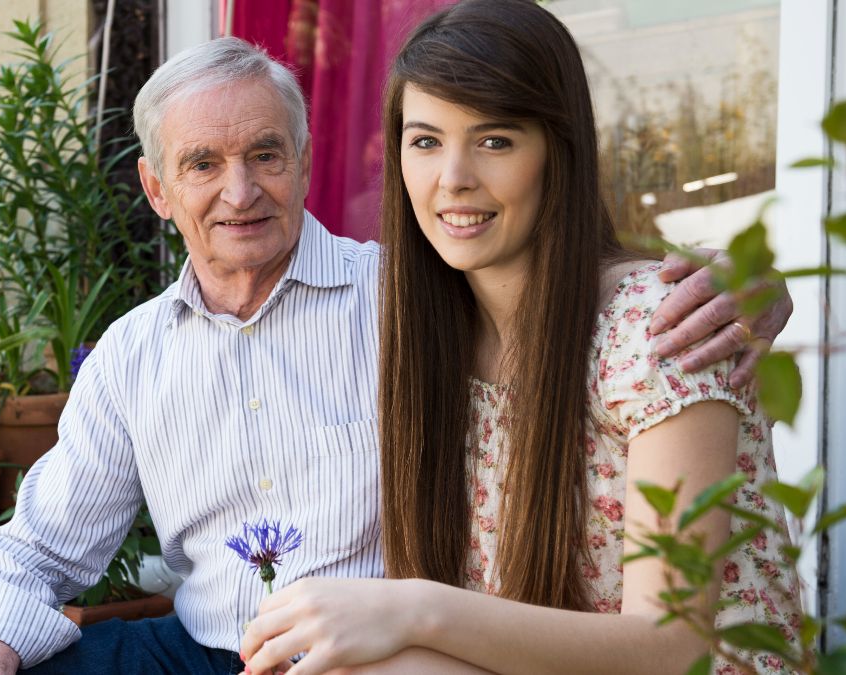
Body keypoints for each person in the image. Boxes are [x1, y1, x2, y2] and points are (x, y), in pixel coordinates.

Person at [0, 32, 792, 674]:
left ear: (308, 160)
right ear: (157, 189)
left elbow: (570, 292)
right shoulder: (132, 357)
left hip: (387, 651)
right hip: (206, 649)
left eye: (266, 155)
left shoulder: (412, 295)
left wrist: (749, 287)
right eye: (203, 164)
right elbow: (34, 550)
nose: (240, 192)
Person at [238, 2, 801, 674]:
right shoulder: (423, 327)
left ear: (557, 151)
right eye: (425, 142)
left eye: (495, 140)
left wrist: (413, 608)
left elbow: (672, 645)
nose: (453, 178)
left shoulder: (657, 328)